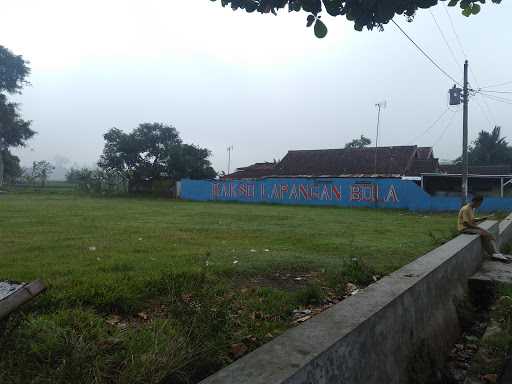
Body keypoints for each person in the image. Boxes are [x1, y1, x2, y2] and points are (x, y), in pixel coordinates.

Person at [458, 195, 511, 262]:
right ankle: (493, 254)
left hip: (469, 227)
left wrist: (482, 218)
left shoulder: (471, 208)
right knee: (486, 234)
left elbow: (471, 220)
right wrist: (480, 228)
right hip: (464, 229)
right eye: (479, 204)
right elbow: (466, 223)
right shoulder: (466, 209)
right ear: (475, 201)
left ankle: (495, 253)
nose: (479, 205)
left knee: (487, 234)